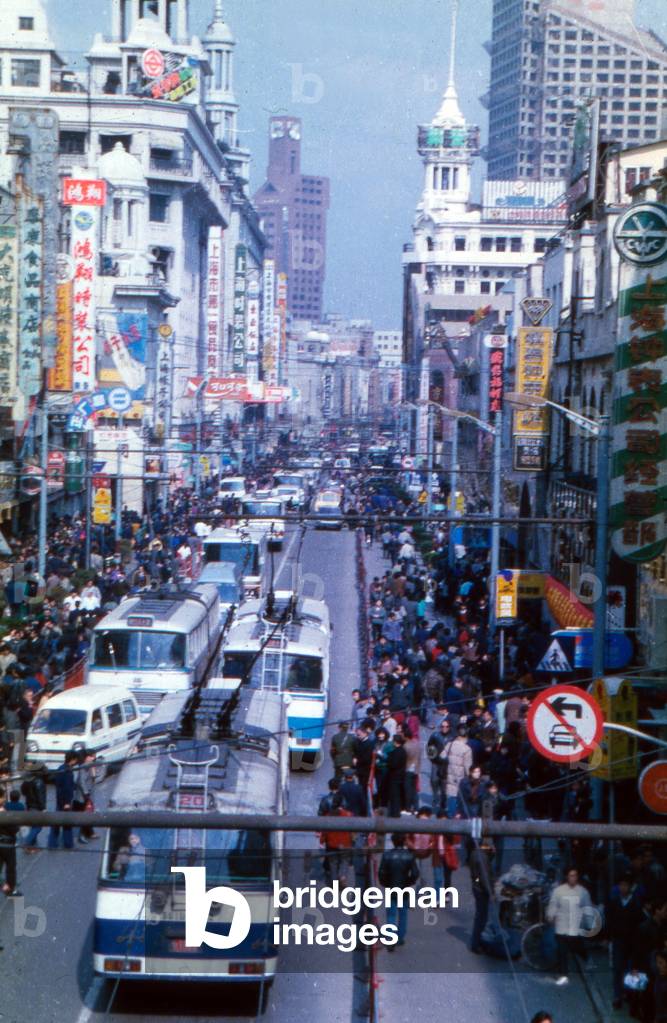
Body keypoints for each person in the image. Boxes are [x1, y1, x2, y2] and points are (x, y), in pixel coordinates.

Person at [546, 867, 593, 985]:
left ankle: (587, 959)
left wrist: (589, 924)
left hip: (575, 925)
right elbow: (553, 904)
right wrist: (551, 915)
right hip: (561, 925)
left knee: (577, 947)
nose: (573, 878)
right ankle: (563, 974)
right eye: (571, 875)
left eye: (575, 875)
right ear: (567, 877)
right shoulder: (559, 891)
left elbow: (587, 908)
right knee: (562, 950)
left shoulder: (583, 892)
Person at [607, 873, 643, 1009]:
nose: (623, 888)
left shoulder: (636, 903)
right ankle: (617, 996)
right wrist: (608, 937)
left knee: (630, 969)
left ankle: (629, 995)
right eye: (621, 885)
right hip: (618, 941)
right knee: (617, 969)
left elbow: (639, 924)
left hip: (632, 943)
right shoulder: (614, 901)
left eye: (626, 885)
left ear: (630, 887)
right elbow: (609, 920)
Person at [378, 834, 419, 947]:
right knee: (403, 913)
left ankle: (390, 937)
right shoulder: (409, 856)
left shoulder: (387, 855)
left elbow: (381, 872)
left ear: (393, 841)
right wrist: (409, 882)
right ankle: (400, 937)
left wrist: (385, 883)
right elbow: (415, 873)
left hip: (391, 886)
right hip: (404, 887)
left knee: (391, 914)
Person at [468, 837, 495, 954]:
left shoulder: (476, 853)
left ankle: (477, 941)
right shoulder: (482, 858)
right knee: (481, 917)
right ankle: (476, 943)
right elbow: (484, 876)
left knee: (480, 916)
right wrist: (491, 892)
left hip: (476, 886)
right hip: (481, 889)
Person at [48, 751, 77, 850]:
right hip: (65, 801)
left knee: (56, 822)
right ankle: (68, 844)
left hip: (59, 799)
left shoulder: (60, 768)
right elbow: (67, 788)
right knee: (67, 823)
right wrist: (67, 802)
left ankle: (52, 843)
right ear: (72, 759)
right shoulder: (68, 772)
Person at [446, 725, 473, 819]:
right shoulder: (467, 749)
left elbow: (441, 757)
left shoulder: (450, 744)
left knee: (451, 799)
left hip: (449, 776)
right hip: (460, 778)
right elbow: (468, 767)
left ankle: (449, 819)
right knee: (459, 801)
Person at [21, 765, 47, 852]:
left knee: (34, 826)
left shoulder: (27, 780)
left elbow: (23, 792)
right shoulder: (39, 781)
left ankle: (32, 845)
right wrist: (43, 808)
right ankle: (27, 843)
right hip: (37, 806)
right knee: (38, 827)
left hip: (29, 805)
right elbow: (40, 796)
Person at [0, 789, 21, 896]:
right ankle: (10, 888)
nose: (4, 798)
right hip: (7, 844)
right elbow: (14, 829)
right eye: (3, 796)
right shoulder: (5, 813)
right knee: (11, 867)